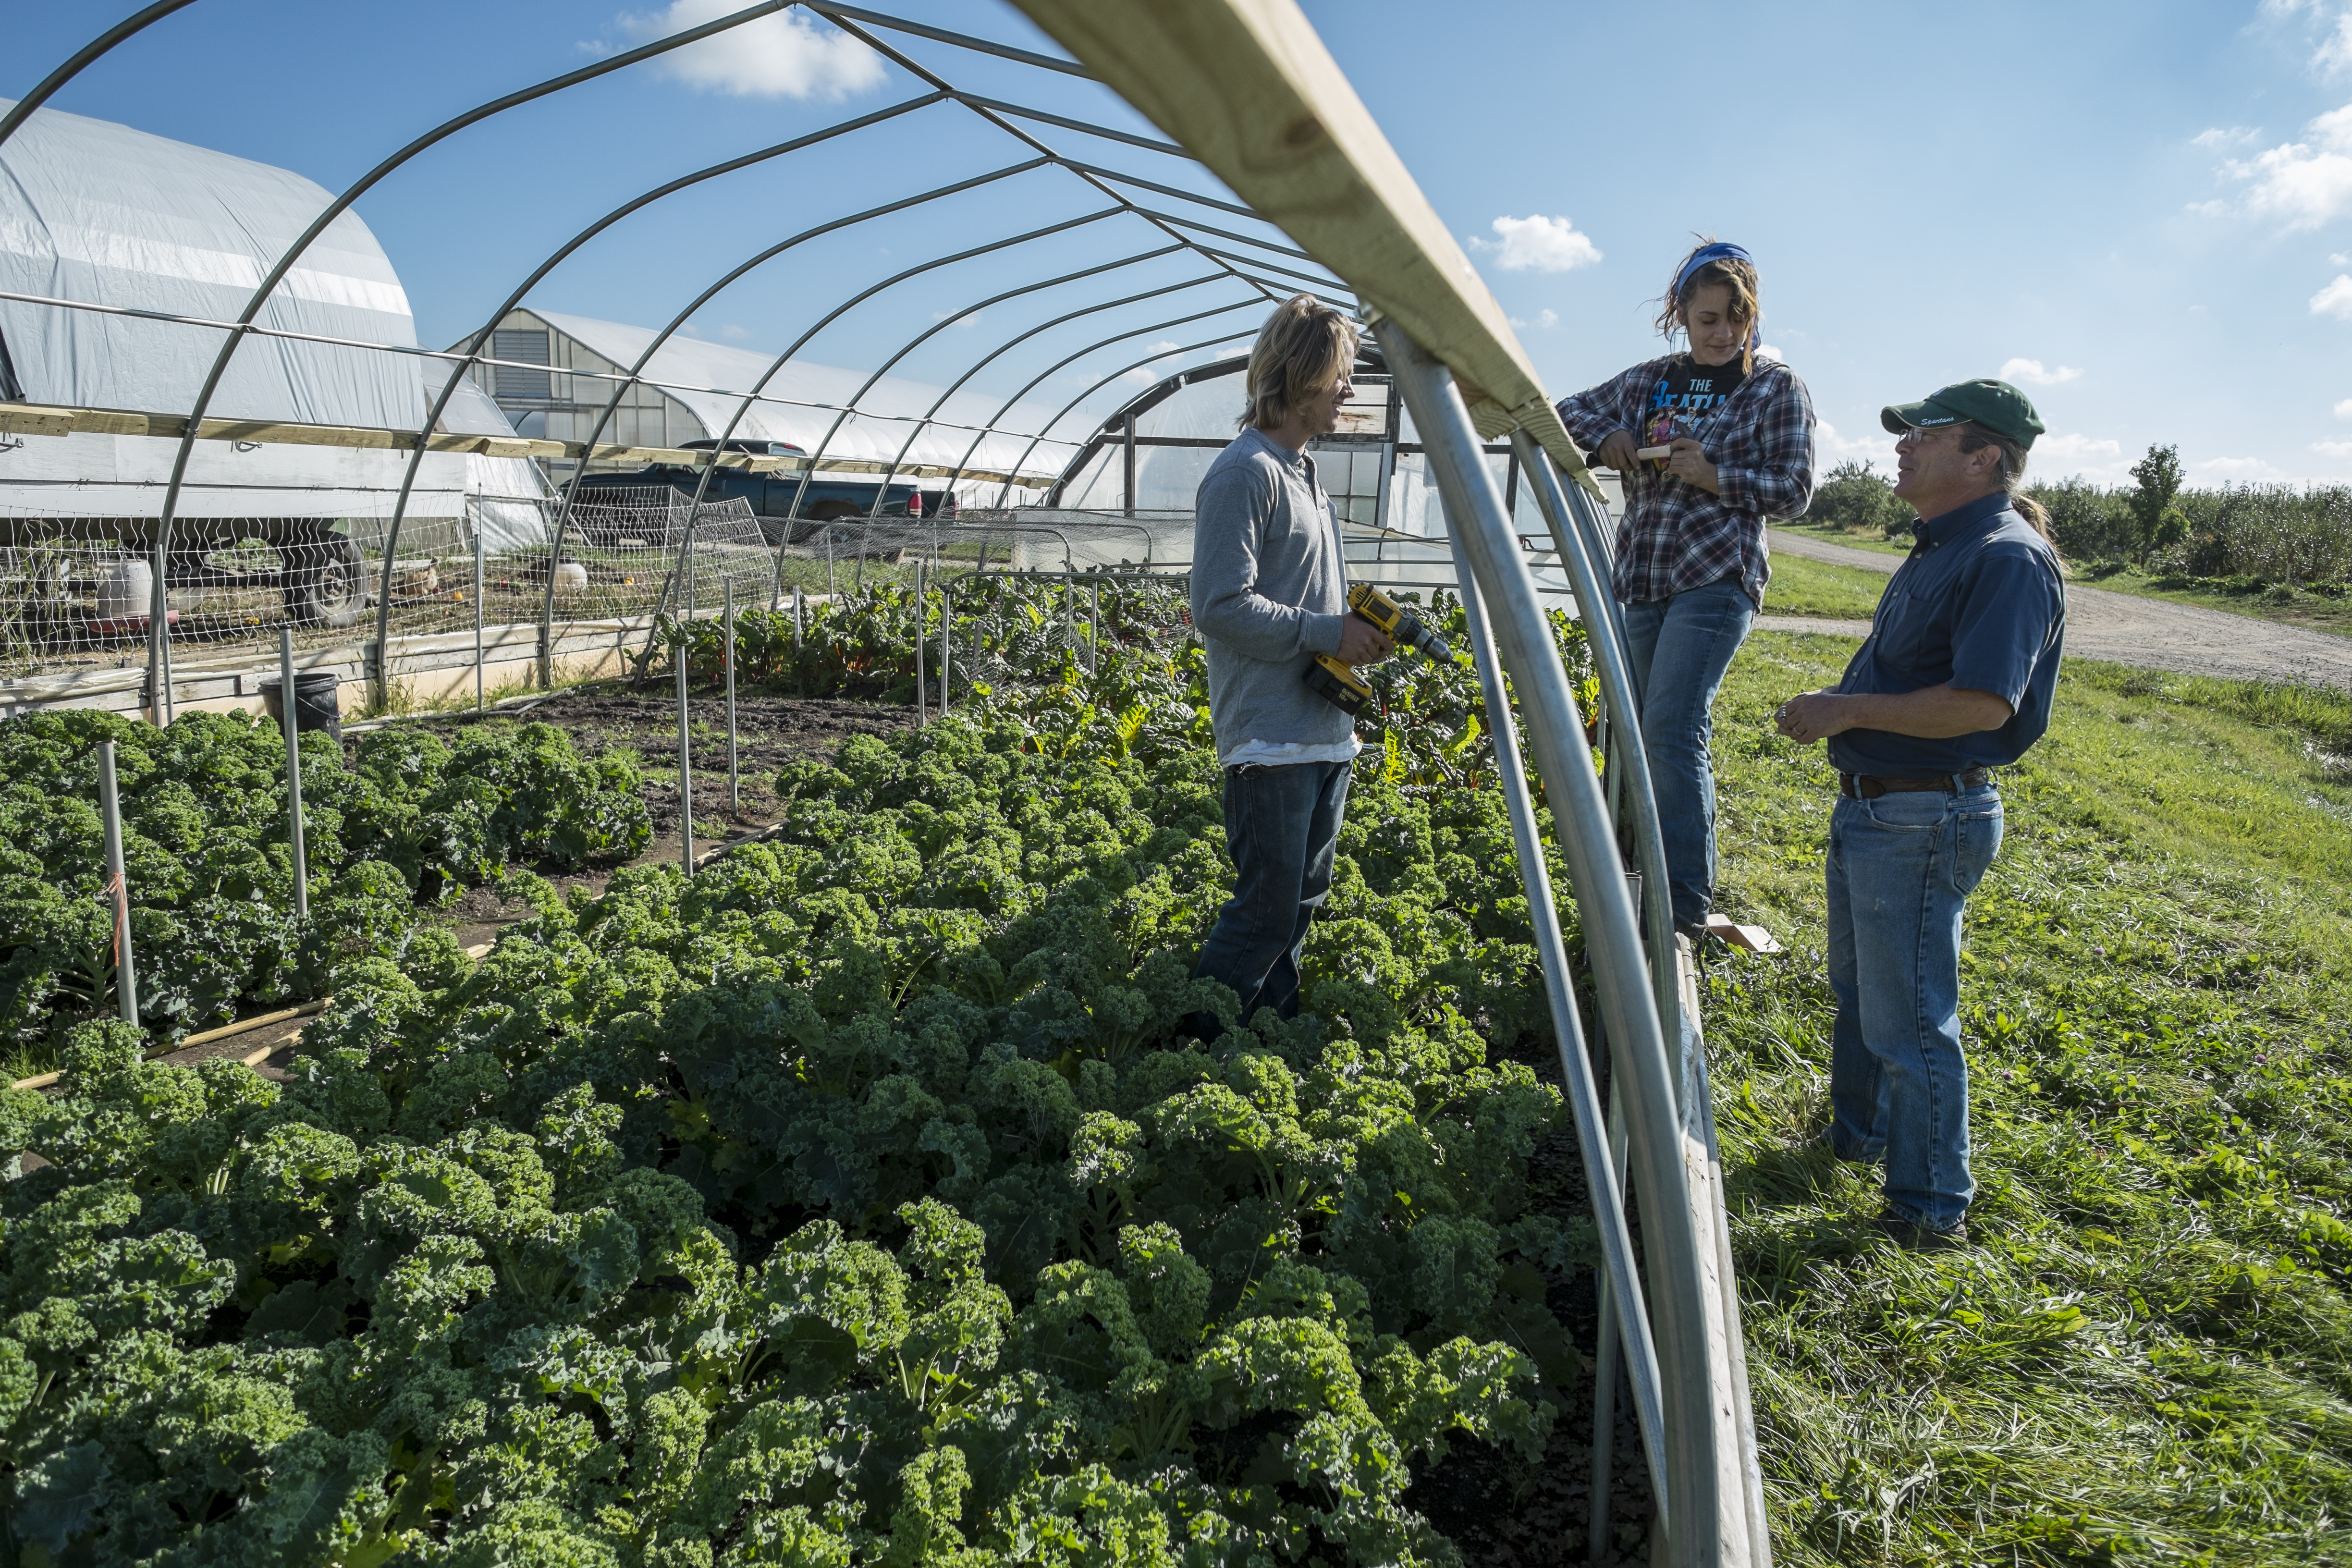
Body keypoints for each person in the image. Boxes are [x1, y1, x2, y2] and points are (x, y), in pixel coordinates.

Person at [1773, 378, 2065, 1250]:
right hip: (1881, 808)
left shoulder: (2005, 558)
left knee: (1910, 1021)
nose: (1902, 445)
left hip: (1922, 815)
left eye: (1925, 433)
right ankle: (1859, 1139)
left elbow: (1982, 706)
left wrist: (1847, 709)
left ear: (1984, 458)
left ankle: (1931, 1210)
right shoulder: (1942, 543)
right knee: (1865, 996)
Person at [1556, 239, 1816, 944]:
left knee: (1673, 726)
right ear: (1681, 316)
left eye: (1736, 318)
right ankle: (1632, 873)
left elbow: (1794, 490)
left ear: (1753, 317)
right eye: (1708, 320)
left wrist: (1716, 477)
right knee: (1638, 728)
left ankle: (1681, 906)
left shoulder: (1774, 388)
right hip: (1642, 575)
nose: (1723, 333)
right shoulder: (1649, 382)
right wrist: (1608, 431)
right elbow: (1565, 411)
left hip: (1714, 574)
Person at [1187, 294, 1392, 1032]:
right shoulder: (1244, 474)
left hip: (1321, 729)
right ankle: (1189, 1052)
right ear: (1300, 373)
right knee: (1266, 912)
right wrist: (1323, 631)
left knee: (1299, 905)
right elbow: (1218, 605)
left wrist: (1350, 630)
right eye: (1341, 373)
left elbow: (1307, 601)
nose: (1350, 390)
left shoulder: (1304, 473)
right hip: (1268, 737)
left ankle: (1272, 1040)